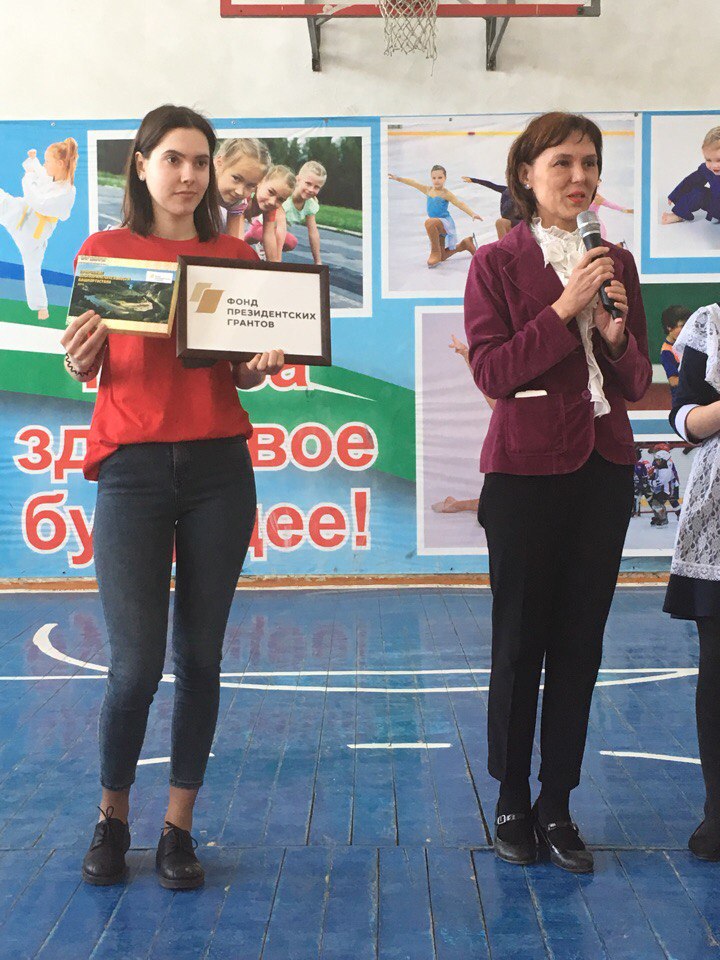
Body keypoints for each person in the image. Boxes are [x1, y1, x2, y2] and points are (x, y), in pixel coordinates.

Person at [61, 105, 284, 890]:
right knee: (134, 667)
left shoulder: (234, 255)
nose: (188, 175)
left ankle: (178, 829)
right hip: (132, 473)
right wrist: (76, 358)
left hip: (221, 473)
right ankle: (112, 817)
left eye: (200, 161)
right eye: (173, 159)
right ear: (143, 165)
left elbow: (242, 371)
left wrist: (259, 363)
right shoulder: (105, 252)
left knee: (200, 660)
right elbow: (86, 366)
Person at [464, 111, 651, 874]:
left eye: (590, 163)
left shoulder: (617, 261)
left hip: (603, 469)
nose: (580, 177)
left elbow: (636, 381)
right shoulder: (495, 263)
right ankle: (511, 798)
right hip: (524, 473)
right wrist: (564, 310)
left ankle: (558, 802)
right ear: (526, 175)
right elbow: (492, 372)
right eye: (563, 163)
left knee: (581, 644)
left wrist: (615, 336)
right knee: (520, 642)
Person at [664, 301, 720, 861]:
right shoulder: (710, 323)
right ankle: (718, 812)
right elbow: (682, 417)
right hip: (718, 517)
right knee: (718, 669)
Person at [0, 138, 78, 319]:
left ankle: (40, 306)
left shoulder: (66, 192)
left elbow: (38, 202)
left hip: (30, 232)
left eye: (47, 161)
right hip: (23, 219)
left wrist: (28, 177)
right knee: (3, 200)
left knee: (32, 270)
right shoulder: (54, 179)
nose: (45, 164)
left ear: (60, 164)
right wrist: (33, 162)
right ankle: (41, 307)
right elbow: (42, 173)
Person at [389, 165, 482, 267]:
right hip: (435, 226)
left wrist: (472, 213)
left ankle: (434, 252)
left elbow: (459, 203)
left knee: (429, 222)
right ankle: (465, 244)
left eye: (440, 178)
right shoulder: (428, 190)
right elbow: (413, 183)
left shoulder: (446, 193)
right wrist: (398, 178)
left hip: (445, 223)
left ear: (445, 178)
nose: (436, 180)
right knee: (442, 257)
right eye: (434, 178)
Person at [662, 126, 720, 226]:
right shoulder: (707, 169)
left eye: (719, 160)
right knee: (698, 192)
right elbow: (691, 181)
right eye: (708, 160)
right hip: (716, 205)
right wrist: (675, 195)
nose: (714, 165)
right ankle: (679, 214)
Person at [214, 136, 271, 234]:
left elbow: (233, 238)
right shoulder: (199, 182)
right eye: (236, 178)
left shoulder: (239, 201)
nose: (240, 192)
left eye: (251, 185)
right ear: (219, 163)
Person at [274, 160, 327, 264]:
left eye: (316, 187)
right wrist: (277, 260)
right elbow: (280, 229)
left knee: (291, 242)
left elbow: (313, 233)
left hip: (277, 231)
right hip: (263, 225)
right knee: (253, 236)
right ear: (297, 180)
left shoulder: (310, 205)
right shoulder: (286, 198)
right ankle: (264, 247)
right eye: (308, 184)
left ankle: (266, 247)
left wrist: (318, 262)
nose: (311, 189)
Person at [240, 165, 297, 260]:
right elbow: (236, 233)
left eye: (280, 200)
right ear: (260, 182)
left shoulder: (270, 208)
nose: (272, 202)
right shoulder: (245, 196)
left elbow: (269, 236)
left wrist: (274, 264)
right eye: (271, 192)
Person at [461, 175, 521, 240]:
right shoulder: (505, 189)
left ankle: (504, 245)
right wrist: (473, 180)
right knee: (502, 226)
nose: (508, 180)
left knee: (500, 223)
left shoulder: (522, 192)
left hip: (517, 221)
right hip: (507, 221)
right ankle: (504, 244)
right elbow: (490, 184)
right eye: (508, 179)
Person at [660, 305, 692, 404]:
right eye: (682, 326)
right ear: (669, 327)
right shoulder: (667, 352)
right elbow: (673, 381)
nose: (686, 330)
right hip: (683, 401)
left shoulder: (687, 344)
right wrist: (696, 380)